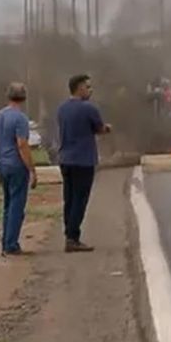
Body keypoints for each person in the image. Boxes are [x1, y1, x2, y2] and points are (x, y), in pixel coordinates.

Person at [58, 74, 112, 253]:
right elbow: (99, 128)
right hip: (83, 160)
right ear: (79, 88)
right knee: (80, 200)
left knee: (69, 199)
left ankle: (69, 234)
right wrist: (107, 129)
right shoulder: (89, 108)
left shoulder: (62, 109)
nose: (90, 90)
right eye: (87, 87)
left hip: (65, 159)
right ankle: (73, 238)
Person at [0, 83, 37, 256]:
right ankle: (11, 244)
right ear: (24, 97)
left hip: (2, 164)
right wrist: (31, 169)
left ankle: (6, 242)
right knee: (17, 204)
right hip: (16, 165)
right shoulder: (20, 118)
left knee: (7, 205)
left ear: (8, 96)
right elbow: (22, 144)